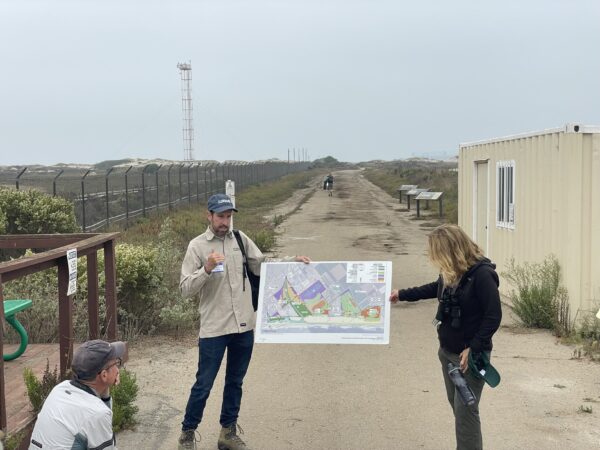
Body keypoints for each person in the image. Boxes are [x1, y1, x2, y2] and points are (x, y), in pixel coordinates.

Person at [178, 193, 310, 450]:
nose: (225, 221)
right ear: (209, 216)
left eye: (228, 216)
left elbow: (263, 265)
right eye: (220, 216)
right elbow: (185, 289)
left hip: (243, 327)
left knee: (235, 382)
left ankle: (227, 433)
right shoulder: (197, 246)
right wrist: (205, 269)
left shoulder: (240, 239)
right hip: (214, 328)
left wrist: (292, 262)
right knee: (203, 384)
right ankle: (187, 434)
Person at [389, 224, 502, 450]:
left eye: (437, 252)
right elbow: (435, 288)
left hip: (467, 359)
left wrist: (473, 348)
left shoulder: (482, 275)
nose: (434, 258)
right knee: (458, 407)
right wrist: (402, 294)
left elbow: (493, 315)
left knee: (466, 415)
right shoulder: (452, 271)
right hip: (448, 355)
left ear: (451, 250)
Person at [29, 339, 126, 450]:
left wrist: (104, 388)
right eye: (116, 363)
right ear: (104, 375)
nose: (118, 369)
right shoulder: (96, 413)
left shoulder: (60, 389)